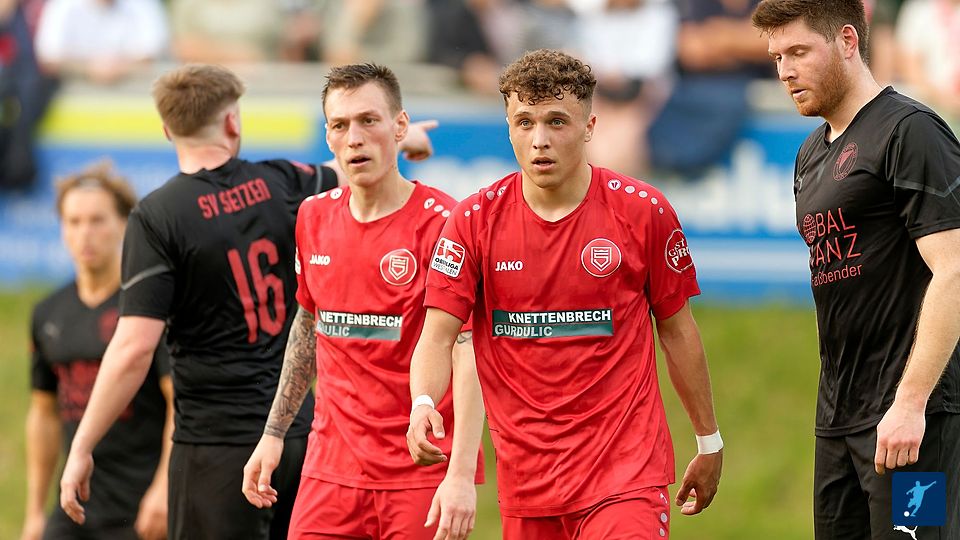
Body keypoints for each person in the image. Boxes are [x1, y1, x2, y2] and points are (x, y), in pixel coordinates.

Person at [57, 64, 438, 539]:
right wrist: (404, 138)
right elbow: (349, 166)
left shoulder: (158, 217)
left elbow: (134, 348)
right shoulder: (280, 182)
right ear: (232, 121)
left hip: (217, 445)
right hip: (298, 436)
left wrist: (82, 444)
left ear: (167, 129)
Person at [407, 48, 723, 539]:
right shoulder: (472, 222)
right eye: (524, 122)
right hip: (528, 484)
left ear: (589, 126)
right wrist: (424, 400)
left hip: (625, 476)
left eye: (556, 121)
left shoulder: (643, 212)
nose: (540, 140)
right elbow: (437, 335)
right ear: (508, 128)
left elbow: (678, 331)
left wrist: (708, 439)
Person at [242, 63, 484, 540]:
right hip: (330, 471)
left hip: (419, 469)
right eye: (340, 125)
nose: (354, 138)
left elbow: (467, 349)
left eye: (368, 120)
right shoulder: (312, 216)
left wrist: (459, 474)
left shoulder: (444, 223)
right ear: (328, 137)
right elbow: (308, 326)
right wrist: (273, 434)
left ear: (400, 126)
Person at [752, 1, 960, 538]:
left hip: (913, 423)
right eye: (777, 58)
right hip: (838, 421)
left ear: (847, 40)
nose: (785, 71)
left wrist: (911, 403)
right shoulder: (810, 154)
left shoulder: (910, 131)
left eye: (798, 51)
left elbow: (955, 271)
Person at [22, 162, 172, 540]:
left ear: (124, 225)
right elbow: (43, 414)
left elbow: (180, 405)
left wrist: (164, 490)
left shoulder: (147, 309)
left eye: (97, 220)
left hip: (140, 505)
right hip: (74, 501)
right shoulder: (47, 313)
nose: (84, 234)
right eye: (73, 222)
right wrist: (35, 511)